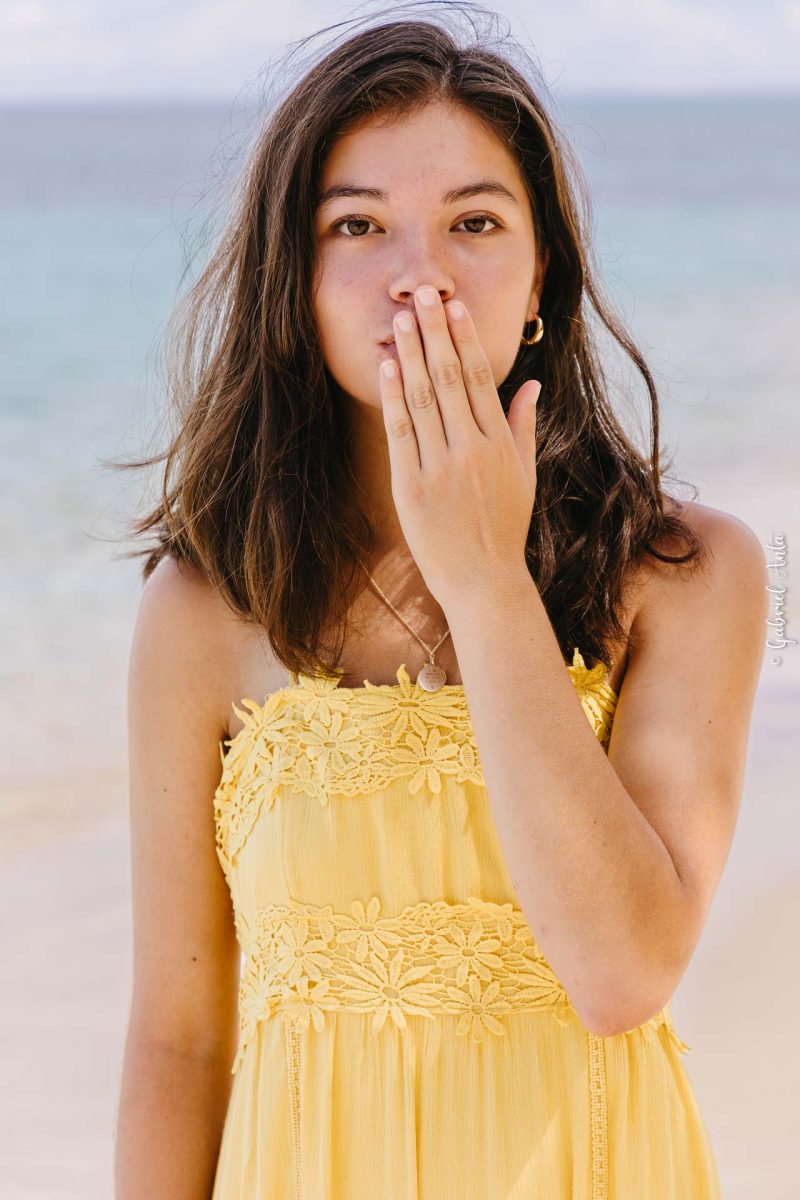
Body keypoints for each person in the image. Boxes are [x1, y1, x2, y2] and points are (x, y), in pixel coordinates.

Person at [113, 7, 767, 1198]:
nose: (419, 275)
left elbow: (622, 970)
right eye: (356, 225)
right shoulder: (203, 608)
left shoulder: (686, 574)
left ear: (539, 282)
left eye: (473, 222)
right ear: (296, 286)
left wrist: (482, 578)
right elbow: (179, 1036)